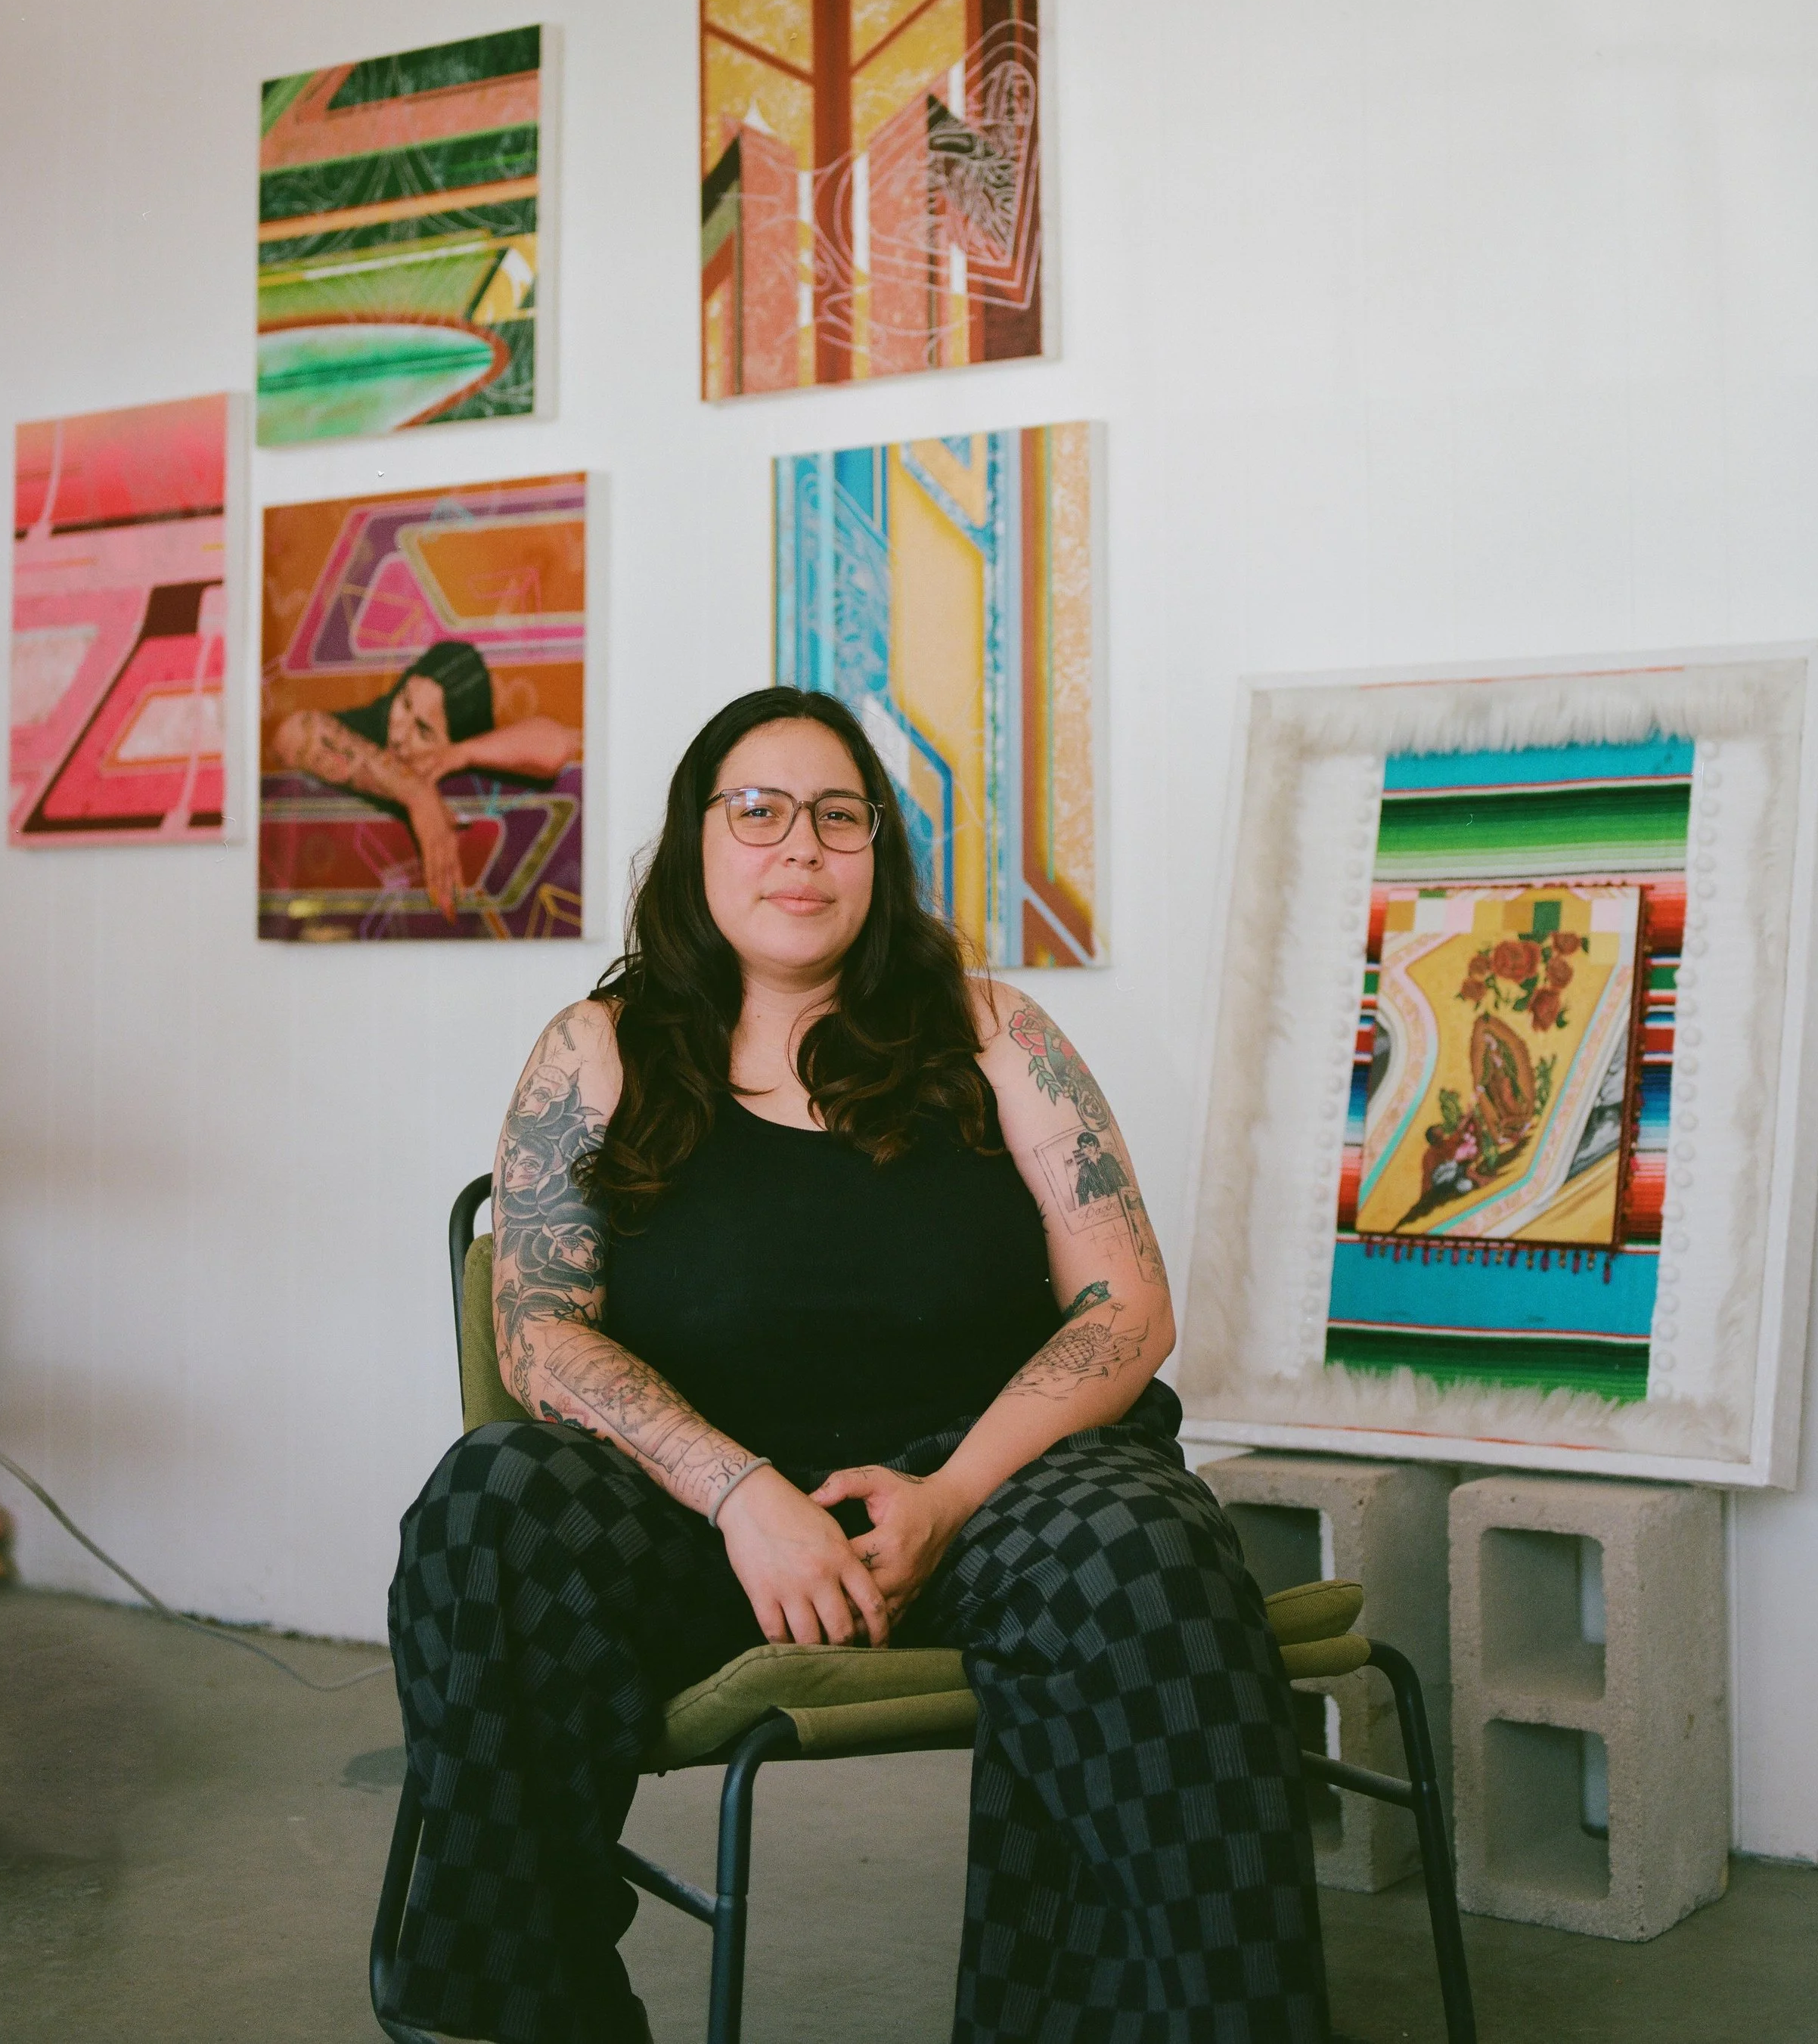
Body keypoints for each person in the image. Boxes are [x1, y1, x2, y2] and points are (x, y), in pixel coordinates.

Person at [385, 687, 1331, 2044]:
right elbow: (538, 1332)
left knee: (1147, 1546)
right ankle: (531, 2016)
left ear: (879, 851)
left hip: (993, 1497)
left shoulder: (995, 1031)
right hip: (701, 1525)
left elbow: (1126, 1307)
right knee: (488, 1501)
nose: (801, 846)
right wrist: (745, 1495)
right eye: (758, 810)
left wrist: (948, 1499)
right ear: (695, 841)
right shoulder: (597, 1050)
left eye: (840, 816)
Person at [271, 640, 582, 921]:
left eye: (423, 730)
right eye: (404, 704)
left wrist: (463, 753)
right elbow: (291, 733)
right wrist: (416, 792)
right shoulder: (373, 724)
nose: (399, 733)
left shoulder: (461, 759)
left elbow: (559, 746)